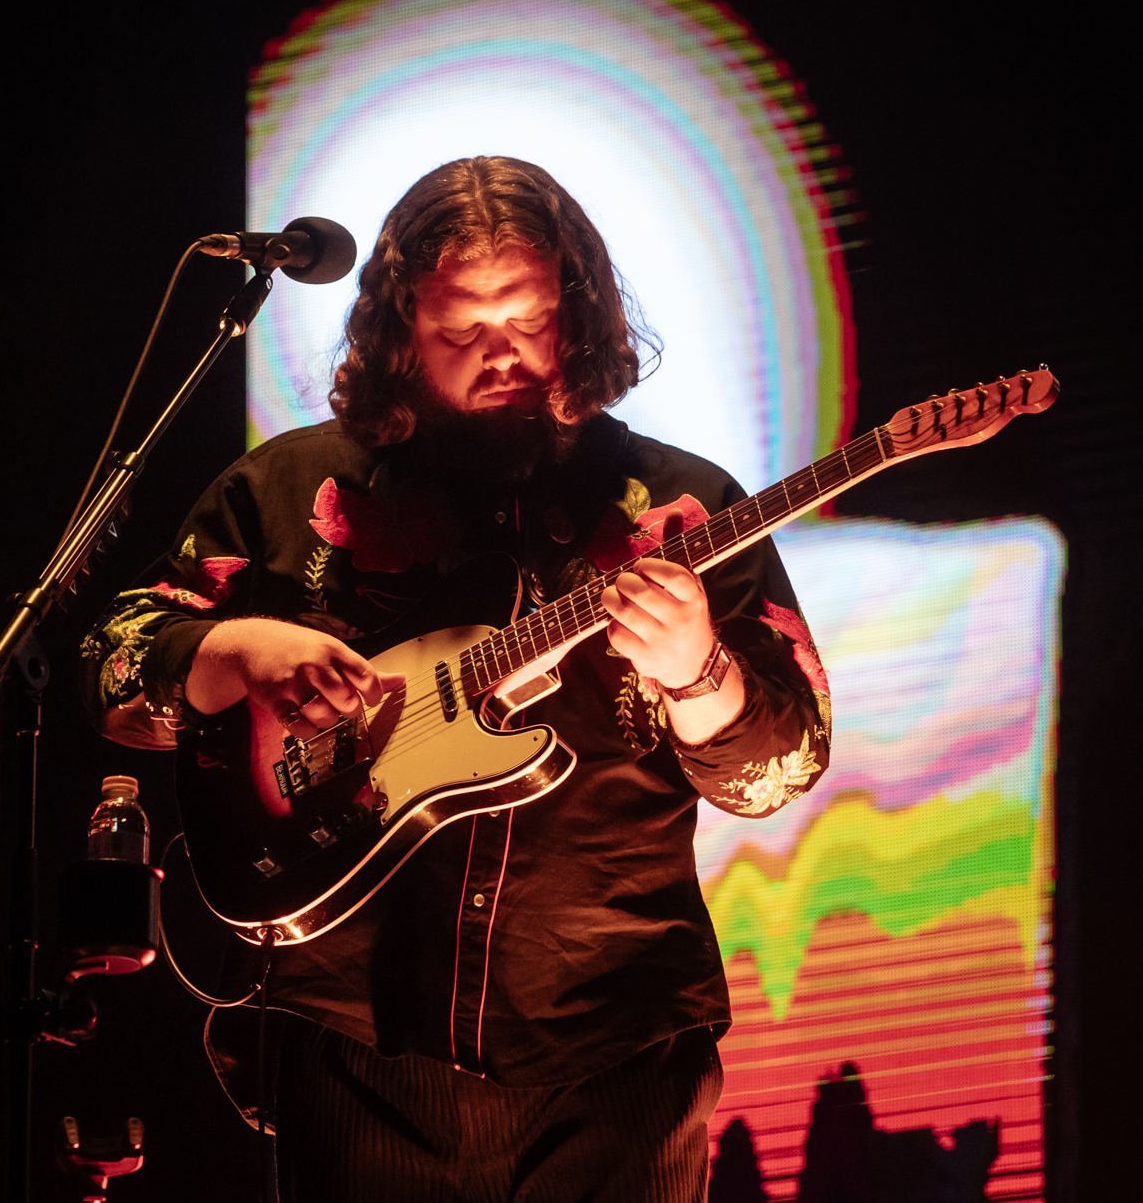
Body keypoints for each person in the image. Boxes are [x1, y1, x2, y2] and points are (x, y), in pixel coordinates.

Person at [81, 156, 833, 1202]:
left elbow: (781, 771)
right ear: (399, 328)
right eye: (459, 327)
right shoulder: (288, 488)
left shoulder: (682, 506)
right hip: (358, 1032)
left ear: (578, 312)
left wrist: (699, 674)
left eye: (527, 318)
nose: (500, 353)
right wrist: (232, 652)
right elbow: (111, 667)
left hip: (617, 1040)